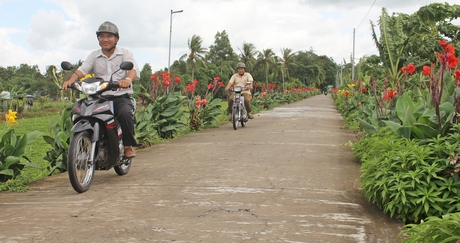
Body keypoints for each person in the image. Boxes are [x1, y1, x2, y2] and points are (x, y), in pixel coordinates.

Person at [62, 21, 140, 158]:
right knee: (81, 111)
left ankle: (128, 146)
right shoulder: (94, 55)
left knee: (125, 113)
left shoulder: (125, 53)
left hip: (119, 96)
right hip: (98, 96)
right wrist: (70, 81)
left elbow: (132, 70)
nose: (105, 39)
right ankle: (84, 141)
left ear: (116, 38)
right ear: (98, 39)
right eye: (101, 36)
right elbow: (82, 70)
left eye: (109, 36)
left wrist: (127, 80)